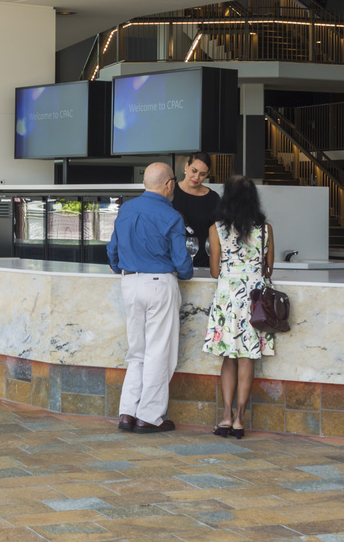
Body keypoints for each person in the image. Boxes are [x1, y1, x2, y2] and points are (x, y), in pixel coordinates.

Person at [105, 161, 192, 433]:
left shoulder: (127, 209)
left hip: (130, 282)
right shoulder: (172, 216)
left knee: (137, 352)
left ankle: (127, 413)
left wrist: (124, 265)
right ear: (169, 185)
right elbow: (183, 265)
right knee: (159, 353)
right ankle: (150, 417)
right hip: (159, 284)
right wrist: (186, 269)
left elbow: (112, 252)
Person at [202, 176, 273, 438]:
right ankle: (241, 419)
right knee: (247, 358)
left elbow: (213, 271)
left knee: (228, 358)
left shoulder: (216, 229)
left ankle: (225, 416)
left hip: (228, 299)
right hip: (254, 299)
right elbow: (269, 268)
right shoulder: (265, 229)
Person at [168, 154, 220, 252]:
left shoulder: (213, 198)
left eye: (202, 174)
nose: (196, 177)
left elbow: (219, 234)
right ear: (186, 166)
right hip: (172, 260)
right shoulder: (170, 192)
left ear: (207, 174)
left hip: (203, 261)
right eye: (194, 171)